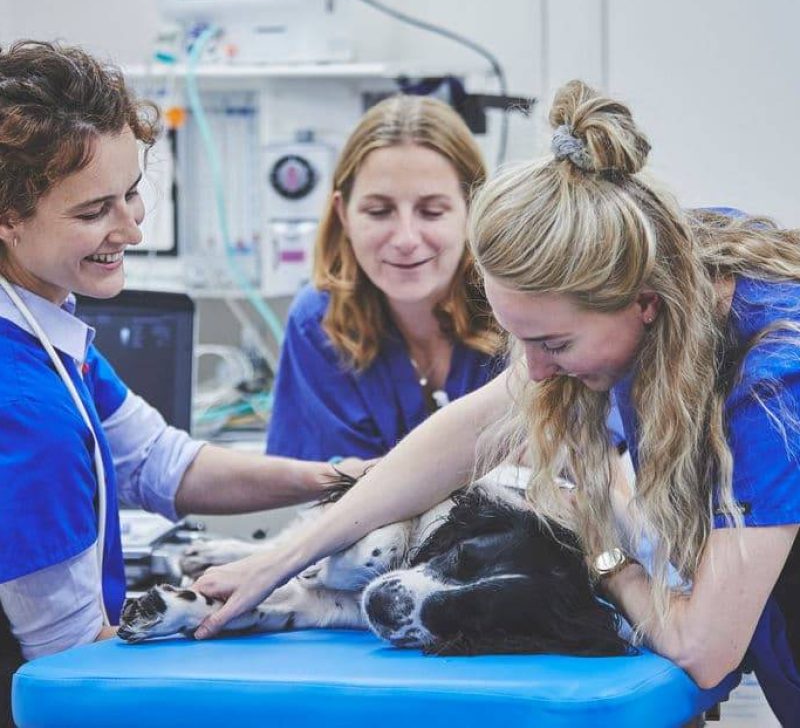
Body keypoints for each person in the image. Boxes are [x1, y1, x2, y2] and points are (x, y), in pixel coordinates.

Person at [194, 80, 800, 724]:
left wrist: (602, 547)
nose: (535, 371)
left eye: (554, 343)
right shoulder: (668, 255)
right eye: (518, 340)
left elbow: (701, 648)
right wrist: (279, 561)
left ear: (644, 305)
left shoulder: (774, 389)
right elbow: (475, 425)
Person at [0, 40, 369, 723]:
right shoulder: (26, 407)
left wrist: (338, 479)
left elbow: (157, 462)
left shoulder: (44, 331)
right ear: (8, 220)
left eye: (132, 194)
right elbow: (66, 671)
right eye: (93, 213)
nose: (131, 230)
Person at [266, 95, 503, 460]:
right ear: (343, 215)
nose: (406, 239)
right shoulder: (318, 324)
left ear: (473, 210)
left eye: (432, 211)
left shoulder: (523, 315)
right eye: (379, 211)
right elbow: (329, 491)